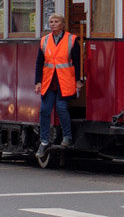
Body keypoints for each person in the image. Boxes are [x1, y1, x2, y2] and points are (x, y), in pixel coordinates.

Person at [34, 13, 81, 158]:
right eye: (51, 22)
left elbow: (78, 62)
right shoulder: (44, 41)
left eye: (56, 22)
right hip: (49, 82)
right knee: (44, 110)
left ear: (62, 24)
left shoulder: (71, 40)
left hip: (64, 81)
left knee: (61, 109)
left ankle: (67, 137)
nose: (53, 24)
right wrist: (38, 81)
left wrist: (78, 80)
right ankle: (44, 141)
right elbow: (39, 63)